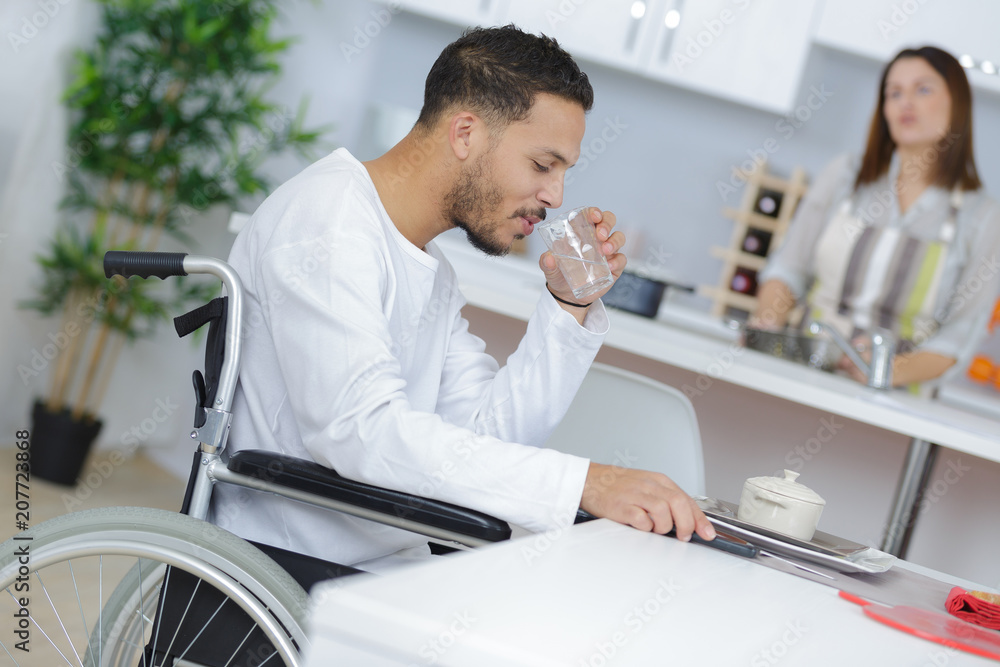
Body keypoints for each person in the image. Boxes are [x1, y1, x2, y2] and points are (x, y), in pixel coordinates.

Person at [209, 25, 715, 572]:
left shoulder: (430, 266)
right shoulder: (328, 222)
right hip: (292, 571)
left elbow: (488, 436)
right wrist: (583, 482)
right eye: (543, 165)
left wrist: (568, 304)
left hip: (393, 563)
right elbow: (361, 435)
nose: (555, 195)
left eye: (564, 172)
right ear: (466, 133)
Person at [752, 46, 1000, 388]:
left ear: (958, 105)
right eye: (893, 93)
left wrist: (889, 371)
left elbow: (961, 333)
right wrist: (767, 323)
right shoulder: (844, 175)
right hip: (803, 377)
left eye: (922, 89)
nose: (905, 102)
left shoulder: (983, 217)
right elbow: (790, 268)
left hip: (895, 405)